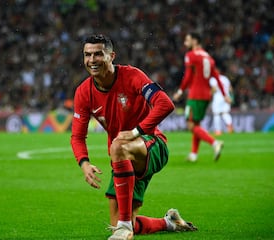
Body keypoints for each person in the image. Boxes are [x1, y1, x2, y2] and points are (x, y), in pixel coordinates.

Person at [70, 34, 197, 240]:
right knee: (123, 222)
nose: (92, 60)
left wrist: (137, 131)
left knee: (119, 145)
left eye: (98, 54)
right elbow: (77, 136)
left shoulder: (132, 76)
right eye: (87, 55)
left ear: (111, 56)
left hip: (153, 145)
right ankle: (169, 222)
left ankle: (123, 227)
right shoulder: (83, 93)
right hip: (123, 161)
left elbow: (165, 104)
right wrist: (84, 163)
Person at [173, 32, 231, 162]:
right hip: (206, 95)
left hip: (195, 94)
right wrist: (225, 95)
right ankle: (193, 155)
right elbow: (216, 76)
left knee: (190, 125)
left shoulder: (190, 56)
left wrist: (180, 91)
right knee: (196, 124)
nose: (185, 43)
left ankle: (215, 143)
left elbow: (187, 77)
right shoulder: (208, 57)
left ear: (195, 41)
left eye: (187, 40)